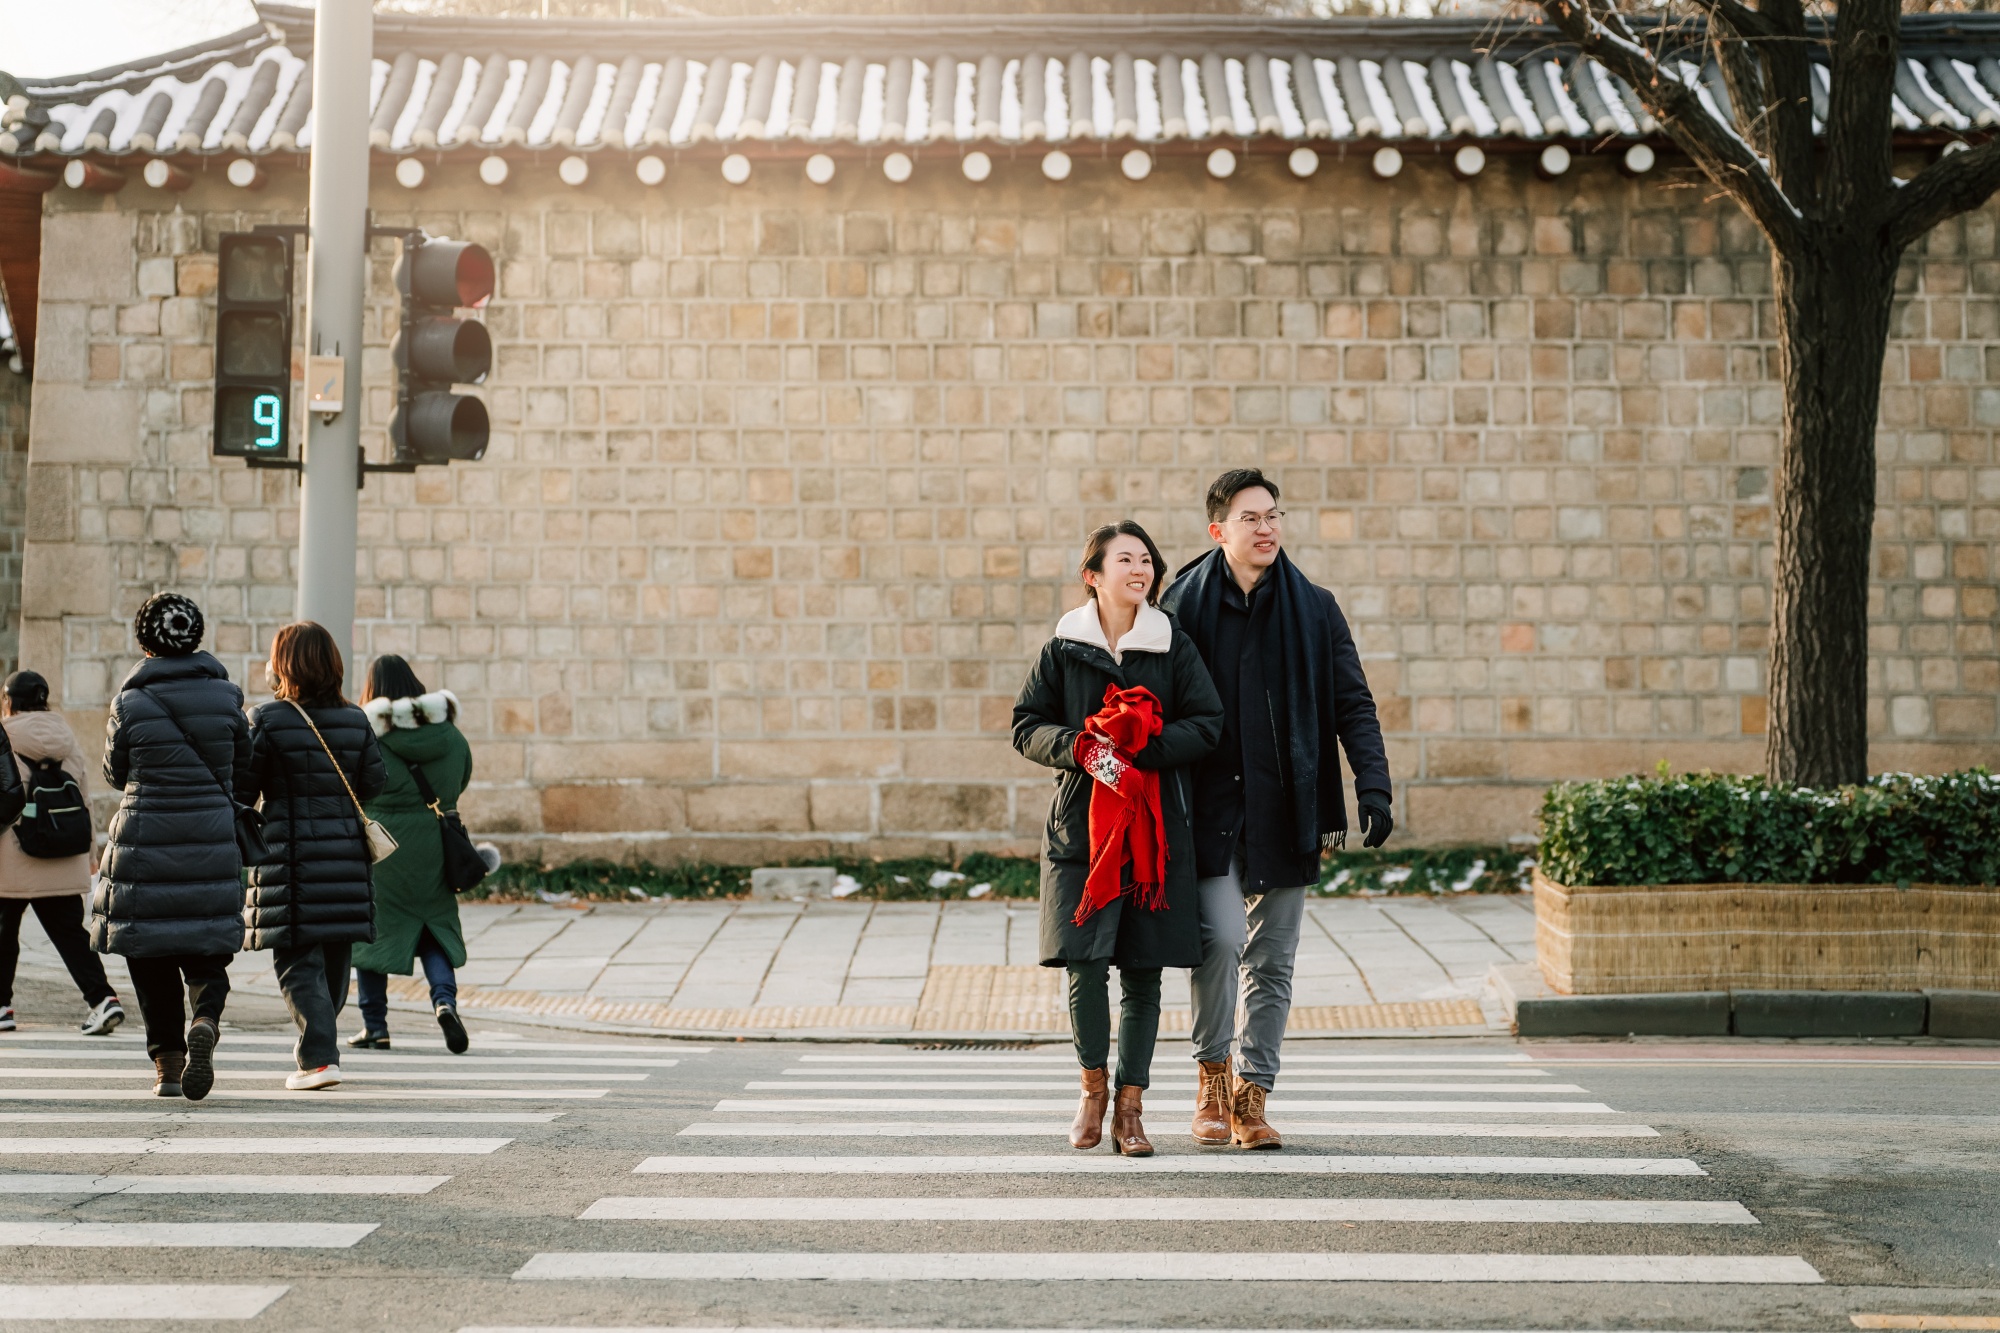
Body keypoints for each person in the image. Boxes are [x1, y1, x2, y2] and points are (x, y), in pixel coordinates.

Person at [1160, 468, 1393, 1150]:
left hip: (1288, 807)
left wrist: (1371, 785)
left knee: (1275, 956)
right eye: (1251, 518)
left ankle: (1251, 1094)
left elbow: (1353, 702)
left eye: (1273, 516)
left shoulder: (1315, 607)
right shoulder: (1182, 606)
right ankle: (1211, 1075)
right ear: (1218, 531)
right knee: (1222, 939)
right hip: (1208, 808)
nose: (1267, 528)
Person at [1013, 521, 1222, 1156]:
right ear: (1093, 575)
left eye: (1146, 561)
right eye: (1125, 560)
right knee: (1083, 964)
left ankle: (1131, 1109)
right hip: (1081, 834)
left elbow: (1207, 723)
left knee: (1141, 972)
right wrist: (1082, 748)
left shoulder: (1171, 645)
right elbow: (1027, 726)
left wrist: (1140, 749)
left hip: (1153, 836)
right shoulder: (1063, 648)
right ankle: (1092, 1090)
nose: (1141, 570)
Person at [93, 592, 250, 1099]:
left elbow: (116, 775)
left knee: (150, 951)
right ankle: (204, 1019)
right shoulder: (228, 698)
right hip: (211, 837)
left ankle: (168, 1062)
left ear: (146, 642)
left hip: (146, 843)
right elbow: (244, 772)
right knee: (208, 949)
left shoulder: (130, 702)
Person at [242, 622, 384, 1092]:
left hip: (291, 858)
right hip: (345, 854)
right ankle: (322, 1040)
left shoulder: (268, 719)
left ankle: (320, 1058)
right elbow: (373, 784)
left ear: (283, 665)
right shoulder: (356, 719)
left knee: (297, 961)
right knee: (333, 959)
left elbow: (244, 786)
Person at [349, 656, 473, 1054]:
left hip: (384, 848)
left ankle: (375, 1027)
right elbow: (462, 777)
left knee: (374, 937)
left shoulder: (371, 735)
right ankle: (444, 1002)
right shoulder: (450, 735)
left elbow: (357, 786)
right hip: (436, 846)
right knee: (433, 927)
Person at [0, 671, 124, 1036]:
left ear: (10, 700)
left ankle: (1, 1006)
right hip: (64, 851)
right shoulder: (66, 735)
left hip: (12, 856)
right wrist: (89, 853)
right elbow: (82, 797)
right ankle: (103, 1000)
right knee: (70, 933)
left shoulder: (3, 734)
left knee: (3, 932)